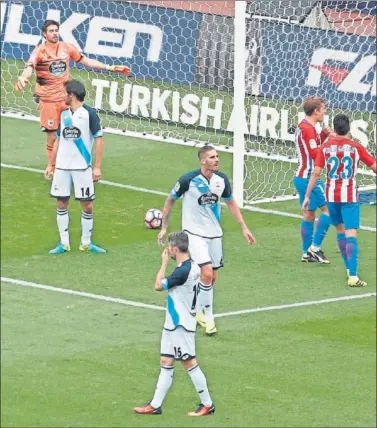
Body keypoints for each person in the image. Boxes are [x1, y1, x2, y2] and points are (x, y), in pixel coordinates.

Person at [157, 146, 256, 336]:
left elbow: (231, 203)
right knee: (207, 272)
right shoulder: (188, 180)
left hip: (215, 234)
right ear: (203, 161)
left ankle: (196, 306)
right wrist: (163, 226)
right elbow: (170, 200)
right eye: (212, 157)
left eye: (217, 156)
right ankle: (209, 318)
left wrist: (243, 226)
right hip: (193, 234)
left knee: (211, 277)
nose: (217, 159)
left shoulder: (221, 180)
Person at [16, 19, 130, 166]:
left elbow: (86, 61)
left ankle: (79, 162)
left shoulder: (67, 48)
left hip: (66, 100)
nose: (55, 33)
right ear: (44, 34)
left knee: (73, 131)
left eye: (56, 30)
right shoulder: (39, 51)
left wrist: (110, 67)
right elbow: (29, 67)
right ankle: (53, 167)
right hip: (48, 101)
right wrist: (24, 77)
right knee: (52, 136)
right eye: (51, 31)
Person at [133, 231, 215, 417]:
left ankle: (207, 404)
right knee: (166, 361)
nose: (168, 249)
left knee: (189, 363)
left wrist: (162, 263)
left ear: (175, 249)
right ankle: (155, 405)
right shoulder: (192, 266)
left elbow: (158, 285)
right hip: (173, 323)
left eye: (170, 247)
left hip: (181, 324)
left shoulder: (182, 271)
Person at [303, 114, 376, 287]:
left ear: (334, 129)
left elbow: (316, 172)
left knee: (340, 232)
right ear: (348, 128)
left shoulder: (325, 147)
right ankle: (353, 275)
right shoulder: (355, 147)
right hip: (349, 196)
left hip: (331, 196)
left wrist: (307, 195)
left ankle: (349, 269)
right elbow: (374, 166)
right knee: (351, 233)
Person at [44, 80, 106, 254]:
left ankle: (86, 243)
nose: (63, 96)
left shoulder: (90, 114)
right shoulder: (64, 114)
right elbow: (58, 139)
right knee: (61, 202)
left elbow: (99, 140)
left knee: (87, 205)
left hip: (81, 168)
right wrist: (51, 164)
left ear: (72, 95)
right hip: (63, 168)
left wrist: (97, 167)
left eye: (65, 93)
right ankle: (64, 244)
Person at [293, 97, 333, 263]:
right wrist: (330, 143)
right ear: (316, 111)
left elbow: (313, 147)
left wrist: (323, 135)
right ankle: (314, 248)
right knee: (330, 211)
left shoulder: (305, 126)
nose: (324, 112)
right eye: (323, 109)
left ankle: (306, 253)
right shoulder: (307, 129)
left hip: (301, 177)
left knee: (309, 215)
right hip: (309, 178)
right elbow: (315, 154)